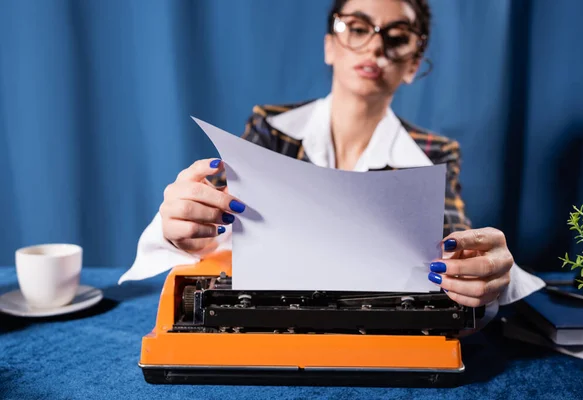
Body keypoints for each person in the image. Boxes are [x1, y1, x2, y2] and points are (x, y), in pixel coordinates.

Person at [119, 0, 545, 321]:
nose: (375, 46)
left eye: (396, 37)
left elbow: (459, 253)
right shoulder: (269, 127)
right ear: (330, 46)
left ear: (413, 64)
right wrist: (183, 225)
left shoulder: (436, 153)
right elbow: (217, 234)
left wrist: (480, 270)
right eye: (358, 28)